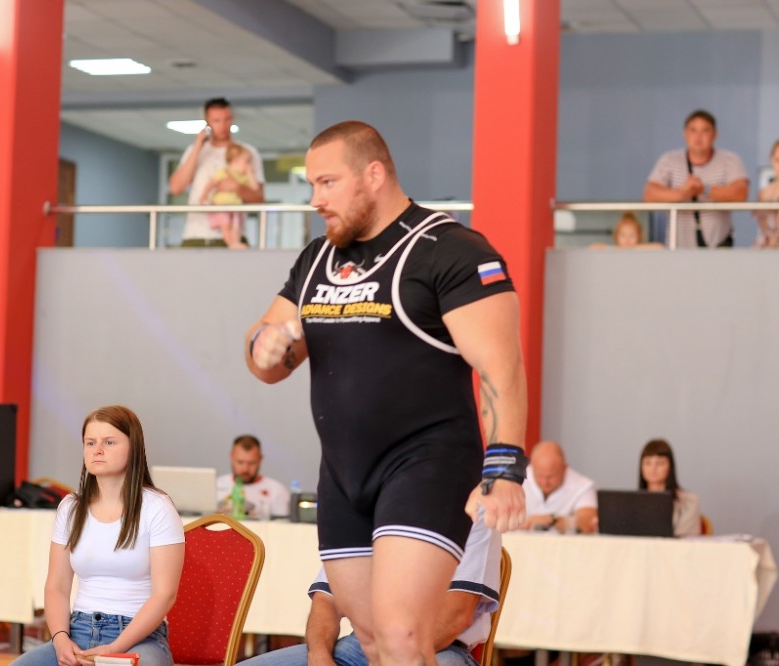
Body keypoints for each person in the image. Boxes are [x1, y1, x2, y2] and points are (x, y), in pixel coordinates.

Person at [245, 120, 527, 666]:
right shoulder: (316, 260)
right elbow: (268, 360)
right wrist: (264, 346)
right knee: (373, 641)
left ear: (373, 175)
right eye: (311, 184)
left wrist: (504, 469)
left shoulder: (451, 250)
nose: (315, 199)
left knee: (401, 637)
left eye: (327, 183)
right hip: (344, 474)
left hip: (427, 464)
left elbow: (501, 368)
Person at [11, 405, 185, 666]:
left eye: (109, 442)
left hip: (139, 637)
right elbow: (57, 586)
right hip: (78, 629)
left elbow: (164, 594)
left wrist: (115, 648)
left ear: (134, 448)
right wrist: (60, 640)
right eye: (90, 442)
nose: (97, 450)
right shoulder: (70, 507)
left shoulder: (157, 507)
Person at [241, 516, 503, 666]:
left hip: (438, 650)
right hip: (359, 646)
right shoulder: (370, 503)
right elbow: (327, 599)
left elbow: (455, 615)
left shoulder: (474, 509)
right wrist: (319, 655)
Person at [643, 109, 749, 248]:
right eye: (693, 130)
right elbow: (649, 194)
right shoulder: (669, 160)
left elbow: (741, 193)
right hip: (678, 248)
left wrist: (705, 190)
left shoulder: (730, 160)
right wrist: (683, 193)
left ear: (715, 135)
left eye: (705, 130)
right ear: (685, 134)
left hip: (718, 247)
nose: (698, 137)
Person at [168, 97, 265, 247]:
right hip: (196, 236)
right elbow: (176, 188)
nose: (222, 126)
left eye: (227, 119)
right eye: (216, 120)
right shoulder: (194, 150)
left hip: (234, 237)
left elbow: (260, 199)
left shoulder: (247, 153)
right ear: (207, 121)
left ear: (232, 119)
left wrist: (237, 188)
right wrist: (198, 147)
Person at [521, 441, 597, 534]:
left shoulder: (584, 487)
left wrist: (552, 520)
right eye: (539, 476)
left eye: (551, 476)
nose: (545, 482)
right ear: (531, 467)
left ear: (564, 468)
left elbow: (587, 524)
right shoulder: (516, 481)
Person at [215, 434, 290, 519]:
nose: (245, 469)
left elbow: (282, 524)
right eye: (240, 462)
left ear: (260, 459)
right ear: (231, 457)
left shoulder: (277, 490)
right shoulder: (215, 486)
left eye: (251, 463)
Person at [638, 438, 701, 537]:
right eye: (647, 463)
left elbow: (684, 538)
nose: (653, 469)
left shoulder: (688, 501)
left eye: (660, 463)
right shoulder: (633, 502)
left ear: (670, 466)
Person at [198, 143, 256, 249]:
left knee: (236, 225)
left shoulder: (243, 177)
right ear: (235, 160)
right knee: (226, 225)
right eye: (246, 162)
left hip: (235, 207)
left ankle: (235, 242)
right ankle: (231, 243)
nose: (248, 165)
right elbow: (211, 183)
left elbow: (254, 188)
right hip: (222, 205)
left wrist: (250, 173)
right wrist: (204, 195)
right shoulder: (224, 172)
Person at [589, 212, 663, 250]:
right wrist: (617, 249)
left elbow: (659, 247)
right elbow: (593, 247)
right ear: (616, 236)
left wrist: (633, 248)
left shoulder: (640, 251)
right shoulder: (614, 251)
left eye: (632, 235)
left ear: (639, 236)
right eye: (623, 235)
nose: (627, 239)